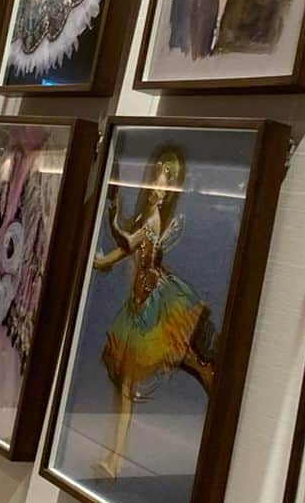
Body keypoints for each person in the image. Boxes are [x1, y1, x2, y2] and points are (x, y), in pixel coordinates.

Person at [92, 146, 214, 480]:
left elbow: (124, 241)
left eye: (165, 184)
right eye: (157, 181)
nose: (158, 188)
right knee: (126, 386)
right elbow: (124, 248)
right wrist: (103, 260)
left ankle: (114, 460)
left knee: (131, 384)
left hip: (151, 308)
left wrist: (112, 212)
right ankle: (112, 457)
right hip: (138, 307)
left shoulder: (153, 220)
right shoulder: (149, 219)